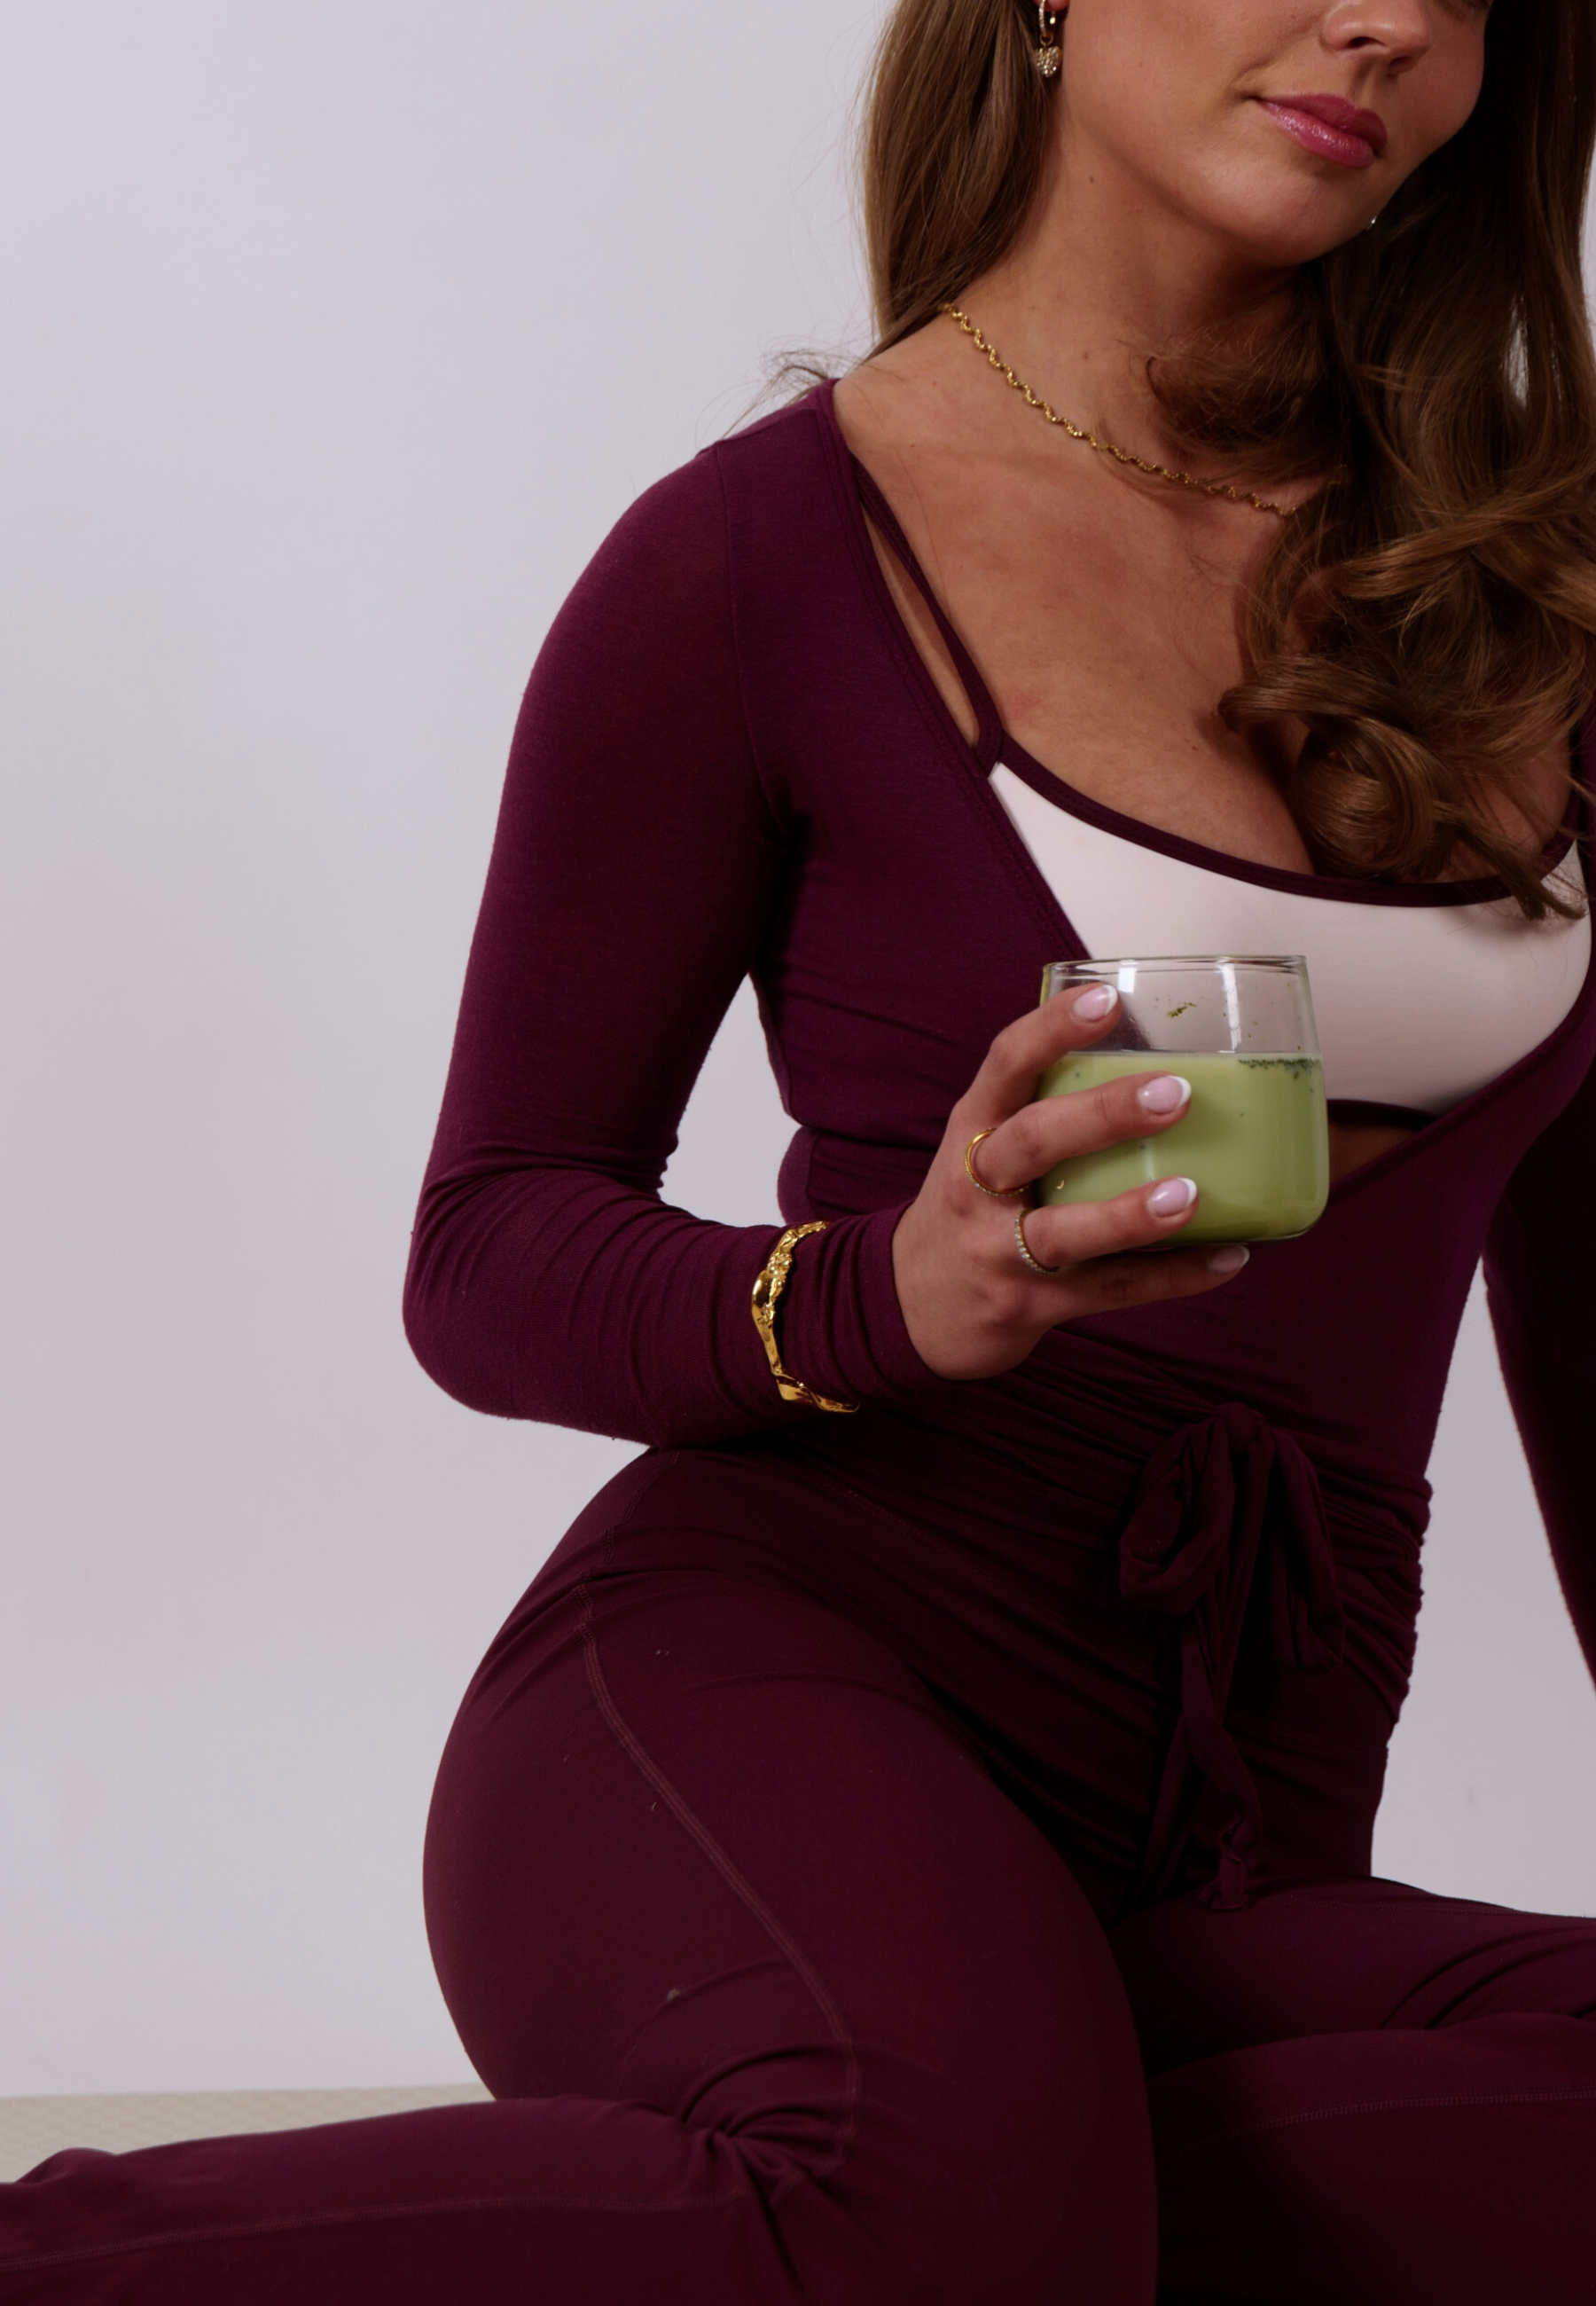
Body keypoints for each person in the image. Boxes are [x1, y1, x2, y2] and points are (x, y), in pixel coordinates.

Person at [6, 0, 1596, 2297]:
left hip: (1220, 1841)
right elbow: (488, 1249)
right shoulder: (764, 556)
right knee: (956, 2203)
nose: (1396, 18)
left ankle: (1007, 2200)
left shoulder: (1532, 619)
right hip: (765, 1697)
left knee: (1029, 2212)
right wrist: (888, 1291)